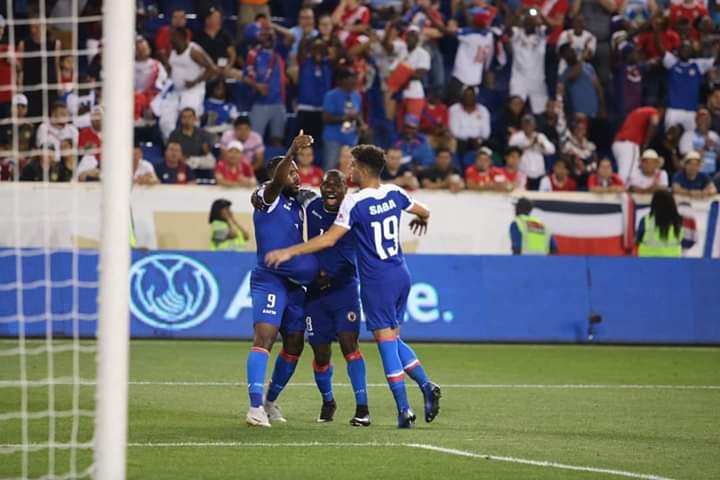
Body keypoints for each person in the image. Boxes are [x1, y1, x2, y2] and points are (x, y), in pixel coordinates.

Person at [265, 144, 441, 429]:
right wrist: (423, 218)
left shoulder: (354, 202)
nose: (349, 170)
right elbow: (425, 210)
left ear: (361, 168)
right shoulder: (394, 192)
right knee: (394, 339)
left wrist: (290, 252)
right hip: (401, 274)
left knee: (385, 346)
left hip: (377, 281)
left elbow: (328, 240)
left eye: (352, 166)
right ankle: (425, 385)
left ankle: (404, 409)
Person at [244, 132, 319, 427]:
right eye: (290, 172)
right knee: (264, 336)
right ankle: (253, 408)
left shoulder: (297, 205)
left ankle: (270, 401)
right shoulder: (266, 195)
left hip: (293, 284)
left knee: (295, 344)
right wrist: (291, 151)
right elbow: (276, 182)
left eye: (298, 172)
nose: (296, 176)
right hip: (269, 279)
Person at [300, 170, 370, 425]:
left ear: (345, 188)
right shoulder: (309, 203)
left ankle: (362, 407)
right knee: (320, 354)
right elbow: (282, 188)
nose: (330, 189)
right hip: (316, 293)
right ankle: (328, 400)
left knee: (349, 344)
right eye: (326, 184)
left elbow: (355, 250)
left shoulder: (356, 212)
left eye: (336, 185)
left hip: (344, 289)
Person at [158, 27, 217, 140]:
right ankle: (172, 145)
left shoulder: (194, 51)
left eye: (173, 37)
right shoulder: (172, 50)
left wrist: (195, 82)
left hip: (193, 91)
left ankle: (192, 147)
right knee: (165, 121)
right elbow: (173, 67)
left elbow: (212, 69)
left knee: (189, 121)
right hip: (176, 91)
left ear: (183, 38)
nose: (170, 39)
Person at [243, 27, 287, 147]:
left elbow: (291, 38)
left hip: (278, 103)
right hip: (259, 103)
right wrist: (257, 86)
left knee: (277, 140)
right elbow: (245, 77)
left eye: (271, 36)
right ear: (259, 37)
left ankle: (278, 165)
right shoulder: (253, 54)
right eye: (265, 35)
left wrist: (273, 26)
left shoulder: (280, 54)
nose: (269, 38)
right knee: (254, 141)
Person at [322, 69, 363, 171]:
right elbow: (326, 118)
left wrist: (361, 124)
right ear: (342, 80)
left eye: (354, 78)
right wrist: (345, 118)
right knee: (330, 168)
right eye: (350, 78)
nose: (353, 81)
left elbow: (358, 113)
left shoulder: (356, 95)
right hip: (333, 138)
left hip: (351, 138)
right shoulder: (331, 95)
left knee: (351, 169)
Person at [612, 106, 662, 184]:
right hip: (629, 143)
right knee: (629, 172)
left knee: (627, 170)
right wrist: (646, 142)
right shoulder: (653, 111)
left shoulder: (639, 111)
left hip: (619, 143)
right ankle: (622, 192)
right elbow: (654, 123)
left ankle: (622, 190)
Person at [508, 114, 556, 190]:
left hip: (539, 175)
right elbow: (511, 151)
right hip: (523, 174)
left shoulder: (540, 136)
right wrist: (530, 144)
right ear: (522, 125)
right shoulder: (516, 137)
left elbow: (552, 150)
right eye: (525, 124)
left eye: (530, 124)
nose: (528, 126)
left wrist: (542, 144)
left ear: (534, 125)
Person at [636, 190, 688, 257]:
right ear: (672, 203)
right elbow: (685, 242)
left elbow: (638, 239)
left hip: (647, 262)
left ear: (654, 203)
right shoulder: (680, 220)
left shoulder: (645, 220)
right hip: (673, 262)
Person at [167, 107, 216, 175]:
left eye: (190, 117)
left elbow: (208, 153)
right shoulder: (175, 134)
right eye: (184, 117)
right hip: (182, 163)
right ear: (181, 119)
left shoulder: (203, 133)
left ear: (195, 118)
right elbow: (171, 151)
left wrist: (206, 149)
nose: (187, 119)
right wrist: (183, 159)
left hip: (199, 163)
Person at [449, 87, 492, 160]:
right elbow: (454, 131)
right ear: (462, 96)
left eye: (471, 95)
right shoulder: (454, 109)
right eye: (466, 95)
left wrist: (477, 139)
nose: (468, 97)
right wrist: (470, 138)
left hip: (479, 141)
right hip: (460, 141)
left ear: (475, 97)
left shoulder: (483, 110)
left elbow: (486, 133)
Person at [678, 109, 719, 176]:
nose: (704, 121)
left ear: (710, 121)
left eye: (706, 119)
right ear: (696, 121)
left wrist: (715, 148)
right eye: (701, 119)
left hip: (713, 174)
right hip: (695, 175)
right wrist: (704, 147)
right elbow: (687, 156)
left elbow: (718, 156)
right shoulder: (688, 135)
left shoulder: (715, 136)